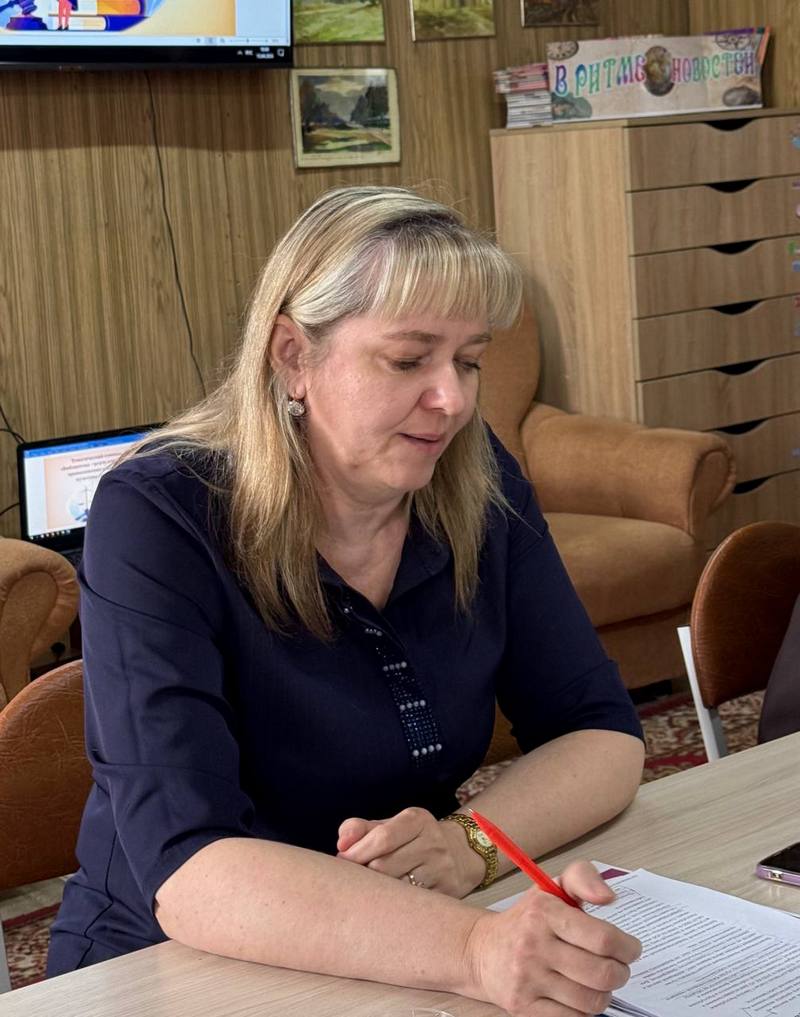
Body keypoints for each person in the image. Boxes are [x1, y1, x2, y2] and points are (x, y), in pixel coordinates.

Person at [47, 185, 645, 1016]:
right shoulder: (158, 513)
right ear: (294, 355)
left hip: (402, 944)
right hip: (168, 965)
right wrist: (473, 949)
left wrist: (468, 843)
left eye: (469, 360)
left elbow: (602, 732)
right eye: (408, 360)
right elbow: (189, 866)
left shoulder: (477, 477)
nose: (453, 400)